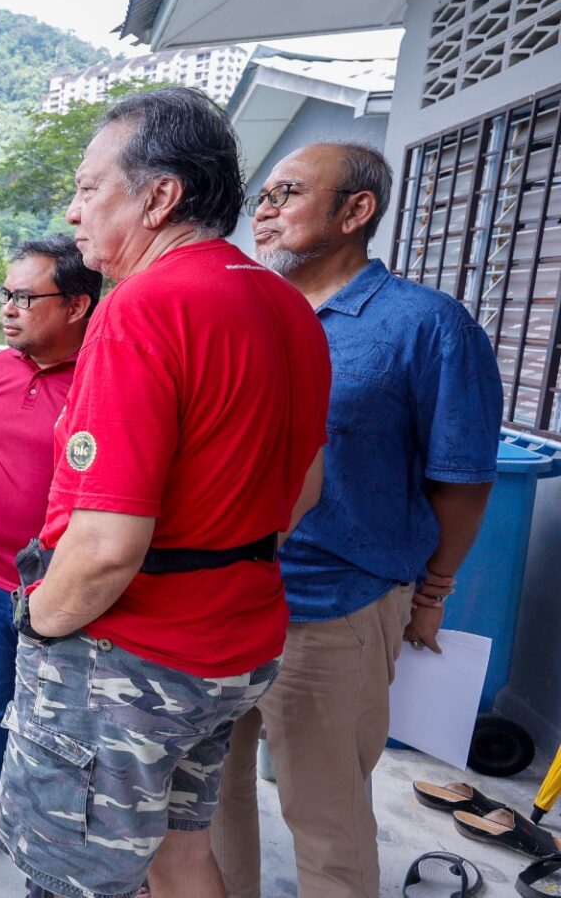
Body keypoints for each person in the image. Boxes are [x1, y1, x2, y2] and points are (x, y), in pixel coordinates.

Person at [0, 87, 331, 898]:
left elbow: (106, 548)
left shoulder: (145, 304)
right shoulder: (290, 308)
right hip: (238, 640)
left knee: (67, 872)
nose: (73, 210)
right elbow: (304, 491)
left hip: (133, 657)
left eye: (88, 187)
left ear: (160, 195)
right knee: (181, 852)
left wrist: (36, 618)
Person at [210, 142, 504, 898]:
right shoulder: (251, 310)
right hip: (218, 599)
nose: (266, 210)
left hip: (333, 607)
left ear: (355, 210)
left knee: (326, 817)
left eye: (288, 193)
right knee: (209, 799)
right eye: (262, 197)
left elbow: (463, 482)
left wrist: (431, 592)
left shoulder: (426, 325)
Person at [0, 235, 100, 850]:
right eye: (5, 295)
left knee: (58, 723)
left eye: (25, 297)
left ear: (76, 305)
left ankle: (43, 838)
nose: (8, 308)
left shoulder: (102, 377)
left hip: (65, 586)